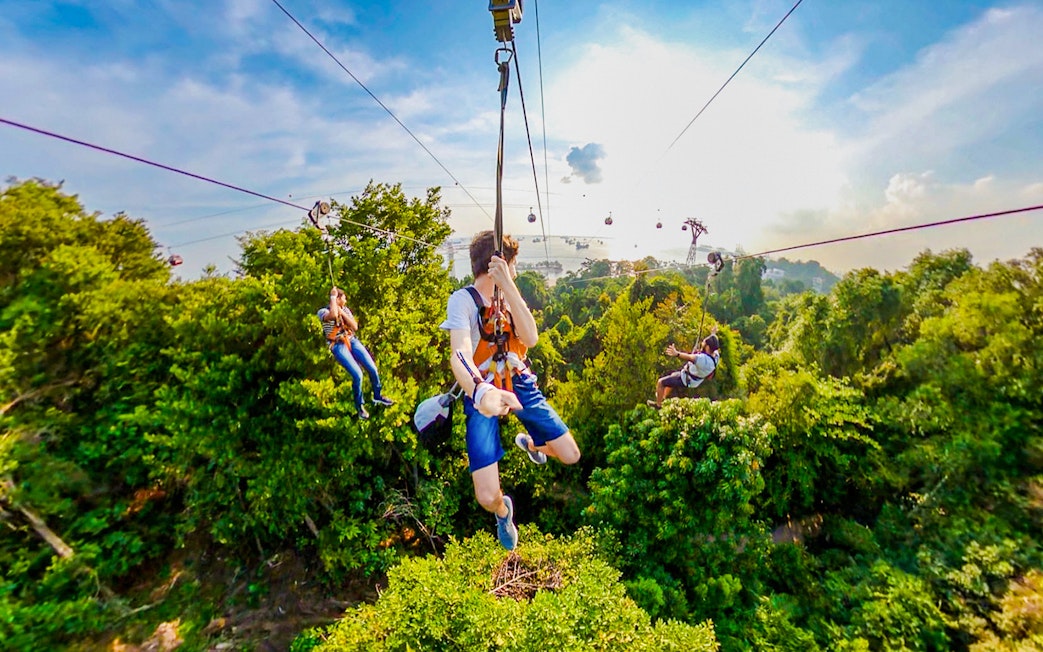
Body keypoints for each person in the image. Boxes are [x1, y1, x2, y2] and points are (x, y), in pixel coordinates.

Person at [441, 231, 581, 551]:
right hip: (481, 383)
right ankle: (504, 513)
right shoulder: (463, 300)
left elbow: (530, 338)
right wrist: (481, 393)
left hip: (517, 379)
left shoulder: (510, 297)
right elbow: (459, 353)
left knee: (570, 454)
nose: (515, 271)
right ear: (503, 263)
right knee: (486, 496)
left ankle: (532, 444)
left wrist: (508, 287)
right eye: (513, 266)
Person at [318, 287, 394, 419]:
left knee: (372, 368)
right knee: (358, 375)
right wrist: (333, 298)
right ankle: (360, 407)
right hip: (337, 345)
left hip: (351, 340)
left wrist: (343, 312)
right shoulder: (323, 311)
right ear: (337, 299)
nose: (346, 300)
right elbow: (333, 315)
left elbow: (355, 326)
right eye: (343, 298)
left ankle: (377, 395)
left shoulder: (346, 310)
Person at [648, 326, 721, 409]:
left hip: (686, 379)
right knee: (673, 375)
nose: (702, 344)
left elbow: (689, 357)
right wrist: (713, 333)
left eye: (704, 343)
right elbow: (713, 344)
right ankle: (663, 398)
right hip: (695, 380)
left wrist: (676, 353)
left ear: (707, 347)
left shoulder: (703, 360)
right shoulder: (716, 356)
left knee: (661, 382)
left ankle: (658, 406)